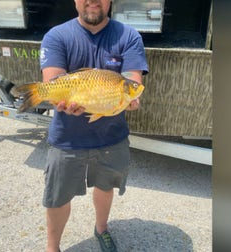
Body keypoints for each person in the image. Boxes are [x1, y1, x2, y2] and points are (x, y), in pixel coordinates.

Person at [39, 0, 148, 251]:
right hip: (67, 137)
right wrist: (60, 100)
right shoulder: (57, 35)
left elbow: (133, 78)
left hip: (112, 137)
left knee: (106, 186)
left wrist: (131, 96)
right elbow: (53, 80)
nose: (92, 0)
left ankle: (102, 228)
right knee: (57, 196)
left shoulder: (128, 35)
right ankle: (52, 247)